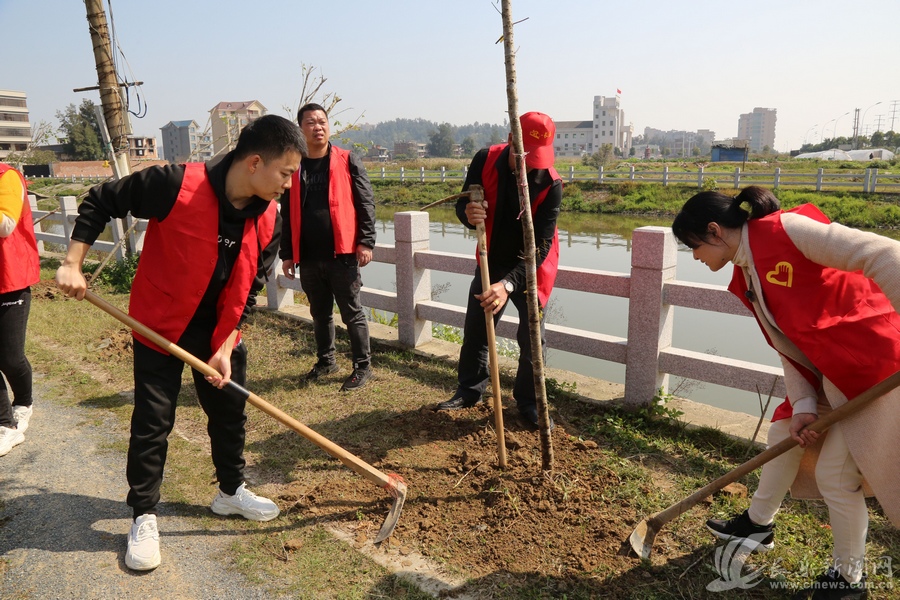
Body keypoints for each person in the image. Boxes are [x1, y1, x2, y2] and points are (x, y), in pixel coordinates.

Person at [55, 115, 305, 572]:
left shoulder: (271, 216)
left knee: (229, 415)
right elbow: (101, 200)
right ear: (254, 162)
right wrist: (73, 263)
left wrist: (228, 345)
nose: (290, 185)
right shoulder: (174, 183)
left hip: (218, 334)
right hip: (161, 324)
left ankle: (230, 492)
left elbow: (249, 289)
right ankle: (144, 515)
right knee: (154, 420)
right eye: (286, 173)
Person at [672, 186, 900, 600]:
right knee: (783, 434)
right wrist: (805, 405)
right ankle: (758, 524)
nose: (695, 256)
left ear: (714, 230)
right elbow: (787, 347)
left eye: (693, 246)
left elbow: (886, 254)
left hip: (875, 366)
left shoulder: (791, 230)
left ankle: (848, 582)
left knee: (837, 476)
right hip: (832, 369)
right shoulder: (747, 274)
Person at [436, 112, 562, 430]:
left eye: (538, 157)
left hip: (530, 265)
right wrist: (469, 213)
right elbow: (463, 206)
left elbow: (542, 247)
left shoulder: (551, 182)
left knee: (532, 339)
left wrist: (507, 285)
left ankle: (529, 402)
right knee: (477, 329)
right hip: (491, 258)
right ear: (510, 139)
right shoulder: (484, 159)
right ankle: (469, 391)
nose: (531, 164)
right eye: (526, 156)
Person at [279, 103, 376, 392]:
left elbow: (366, 203)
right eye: (310, 122)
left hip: (342, 254)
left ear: (328, 126)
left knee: (352, 312)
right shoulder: (293, 165)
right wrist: (286, 253)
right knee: (319, 313)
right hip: (308, 256)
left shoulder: (347, 160)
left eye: (322, 121)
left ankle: (363, 366)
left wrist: (366, 241)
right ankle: (326, 361)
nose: (317, 127)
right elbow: (287, 210)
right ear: (301, 128)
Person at [0, 163, 40, 456]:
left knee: (10, 358)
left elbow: (5, 224)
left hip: (9, 280)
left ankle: (24, 403)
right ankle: (6, 426)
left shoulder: (7, 177)